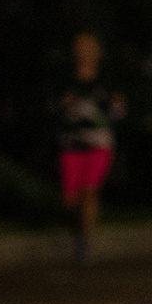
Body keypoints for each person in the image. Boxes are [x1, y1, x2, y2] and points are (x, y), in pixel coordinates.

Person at [56, 32, 126, 261]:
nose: (83, 50)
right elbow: (53, 109)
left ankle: (85, 242)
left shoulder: (106, 80)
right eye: (79, 46)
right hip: (71, 145)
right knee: (70, 200)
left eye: (88, 46)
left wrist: (117, 105)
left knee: (89, 191)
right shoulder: (66, 79)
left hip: (99, 145)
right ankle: (79, 232)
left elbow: (119, 113)